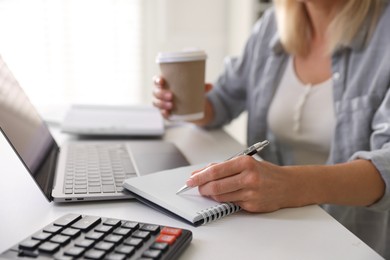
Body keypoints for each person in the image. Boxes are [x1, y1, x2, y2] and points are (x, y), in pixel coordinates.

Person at [152, 0, 390, 258]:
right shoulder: (272, 24)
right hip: (271, 232)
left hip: (351, 241)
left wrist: (290, 186)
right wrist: (184, 101)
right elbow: (223, 100)